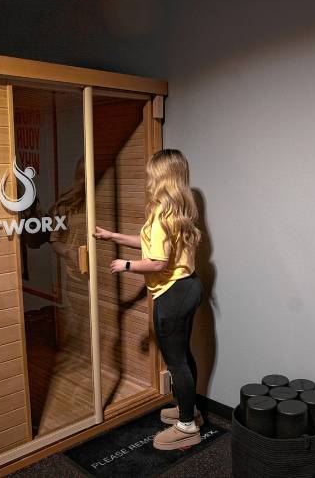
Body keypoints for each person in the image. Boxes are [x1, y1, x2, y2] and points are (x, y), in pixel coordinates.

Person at [95, 149, 204, 450]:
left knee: (177, 361)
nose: (147, 178)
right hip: (189, 287)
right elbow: (149, 244)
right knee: (184, 355)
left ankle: (186, 427)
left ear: (162, 177)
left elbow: (156, 262)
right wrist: (113, 236)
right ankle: (189, 409)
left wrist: (124, 265)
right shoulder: (178, 212)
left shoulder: (161, 215)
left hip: (172, 293)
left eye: (151, 173)